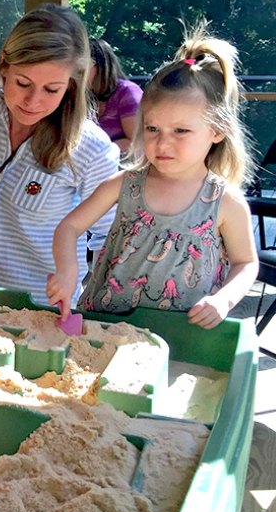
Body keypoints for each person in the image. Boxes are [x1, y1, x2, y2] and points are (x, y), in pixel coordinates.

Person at [48, 26, 259, 330]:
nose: (162, 143)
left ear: (217, 130)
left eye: (181, 131)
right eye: (152, 129)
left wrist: (224, 300)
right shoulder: (125, 184)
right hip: (107, 327)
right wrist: (67, 272)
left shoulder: (225, 201)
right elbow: (69, 227)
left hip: (182, 334)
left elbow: (246, 262)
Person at [0, 3, 120, 307]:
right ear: (4, 66)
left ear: (73, 84)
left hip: (39, 313)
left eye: (52, 89)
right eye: (22, 83)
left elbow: (110, 239)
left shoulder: (92, 148)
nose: (33, 101)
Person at [89, 38, 143, 154]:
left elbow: (138, 142)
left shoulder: (127, 92)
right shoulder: (77, 96)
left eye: (82, 63)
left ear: (101, 64)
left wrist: (99, 154)